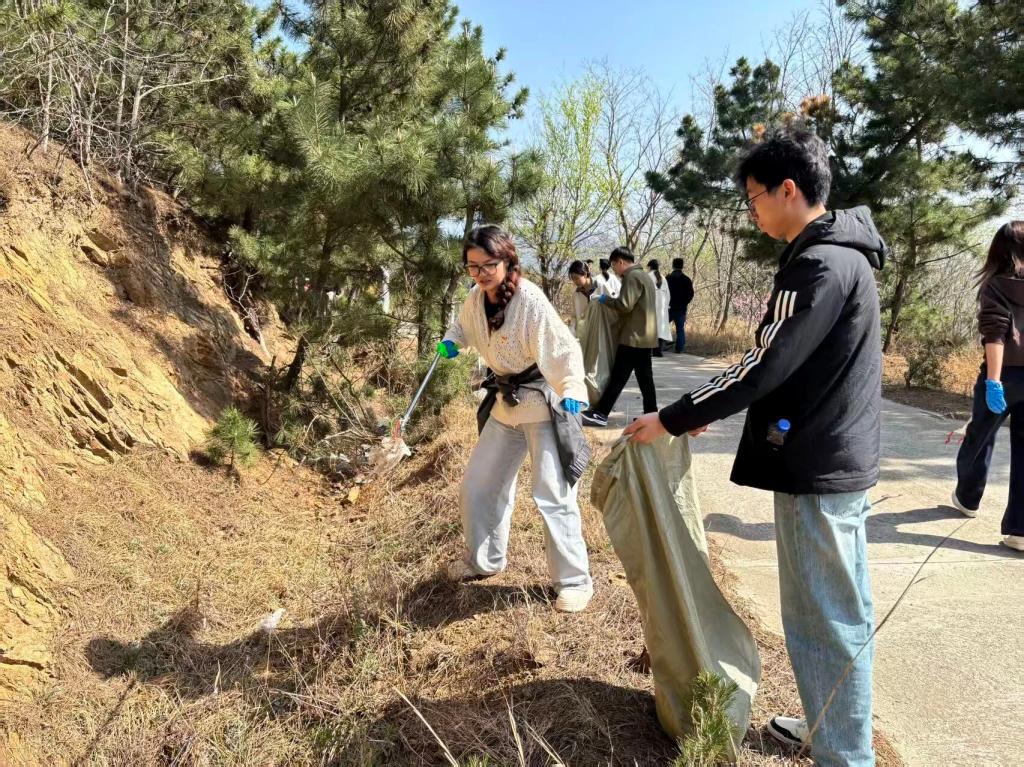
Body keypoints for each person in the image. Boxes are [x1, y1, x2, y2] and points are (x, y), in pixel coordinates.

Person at [625, 127, 885, 767]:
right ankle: (830, 727)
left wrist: (675, 417)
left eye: (753, 197)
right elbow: (788, 367)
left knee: (824, 617)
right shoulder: (842, 256)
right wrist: (705, 412)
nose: (752, 211)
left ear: (787, 189)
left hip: (817, 465)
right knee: (837, 610)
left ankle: (844, 754)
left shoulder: (818, 265)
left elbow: (764, 364)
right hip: (834, 456)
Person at [437, 225, 594, 613]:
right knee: (478, 484)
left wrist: (572, 388)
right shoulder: (475, 298)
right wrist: (452, 341)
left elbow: (564, 349)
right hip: (505, 406)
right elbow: (462, 327)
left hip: (541, 402)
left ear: (507, 261)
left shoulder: (530, 299)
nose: (481, 274)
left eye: (488, 265)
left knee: (552, 493)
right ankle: (484, 559)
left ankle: (574, 581)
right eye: (473, 267)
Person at [951, 221, 1024, 552]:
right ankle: (1020, 531)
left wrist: (994, 382)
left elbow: (995, 336)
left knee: (979, 438)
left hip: (1002, 376)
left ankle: (968, 498)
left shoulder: (995, 286)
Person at [581, 246, 659, 427]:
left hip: (633, 336)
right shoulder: (644, 276)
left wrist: (605, 299)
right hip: (645, 336)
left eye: (614, 265)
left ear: (620, 262)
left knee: (619, 376)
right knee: (645, 378)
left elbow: (624, 306)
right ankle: (651, 414)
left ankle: (601, 413)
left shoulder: (632, 276)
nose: (614, 270)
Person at [567, 259, 612, 335]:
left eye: (577, 278)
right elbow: (574, 316)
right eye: (573, 279)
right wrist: (571, 333)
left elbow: (613, 307)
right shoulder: (576, 294)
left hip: (602, 331)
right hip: (585, 334)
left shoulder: (601, 286)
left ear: (585, 274)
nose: (575, 281)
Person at [667, 258, 695, 353]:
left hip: (669, 307)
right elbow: (691, 294)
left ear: (673, 266)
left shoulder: (668, 278)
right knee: (680, 329)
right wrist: (684, 302)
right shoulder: (686, 279)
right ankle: (679, 349)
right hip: (681, 308)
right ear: (682, 266)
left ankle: (659, 346)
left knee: (662, 326)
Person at [648, 259, 672, 356]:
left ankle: (649, 351)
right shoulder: (663, 278)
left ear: (649, 267)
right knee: (660, 328)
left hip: (651, 305)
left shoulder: (647, 276)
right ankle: (658, 351)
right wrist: (666, 306)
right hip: (662, 307)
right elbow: (668, 294)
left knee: (650, 327)